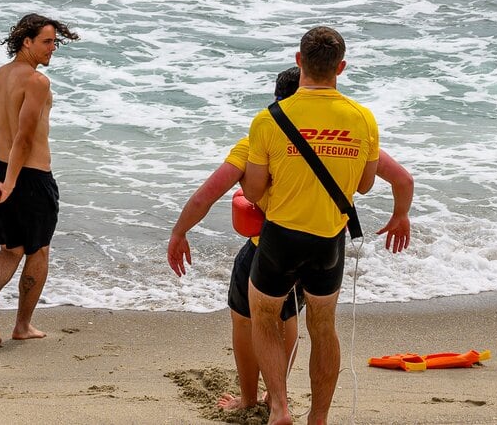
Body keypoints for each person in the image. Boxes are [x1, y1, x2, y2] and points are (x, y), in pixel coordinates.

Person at [165, 68, 413, 416]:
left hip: (269, 246)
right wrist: (401, 216)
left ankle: (256, 399)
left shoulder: (261, 136)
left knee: (247, 318)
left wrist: (179, 233)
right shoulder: (350, 132)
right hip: (327, 244)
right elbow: (402, 179)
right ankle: (292, 405)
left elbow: (206, 196)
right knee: (299, 322)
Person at [241, 27, 381, 425]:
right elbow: (365, 184)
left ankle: (280, 407)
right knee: (323, 326)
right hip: (328, 240)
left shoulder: (269, 119)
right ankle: (317, 419)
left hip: (281, 236)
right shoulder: (362, 119)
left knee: (265, 316)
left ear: (299, 61)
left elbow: (253, 190)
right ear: (341, 67)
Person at [0, 13, 79, 345]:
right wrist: (12, 183)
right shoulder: (36, 82)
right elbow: (24, 137)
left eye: (55, 42)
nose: (53, 49)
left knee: (10, 249)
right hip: (31, 178)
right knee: (38, 251)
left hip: (2, 173)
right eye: (47, 42)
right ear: (27, 42)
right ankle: (22, 325)